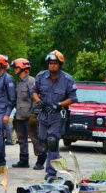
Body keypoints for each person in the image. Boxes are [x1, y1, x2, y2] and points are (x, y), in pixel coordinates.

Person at [31, 50, 77, 180]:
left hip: (57, 115)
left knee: (52, 141)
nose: (52, 66)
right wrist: (38, 102)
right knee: (42, 141)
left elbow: (73, 98)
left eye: (55, 63)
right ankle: (57, 158)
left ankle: (50, 173)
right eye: (50, 63)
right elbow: (33, 91)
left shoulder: (67, 79)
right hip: (44, 114)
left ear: (60, 64)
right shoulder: (40, 76)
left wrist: (59, 105)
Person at [10, 58, 46, 170]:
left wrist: (34, 114)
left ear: (22, 68)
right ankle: (23, 160)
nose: (14, 70)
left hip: (30, 116)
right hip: (20, 115)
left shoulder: (31, 81)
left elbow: (36, 98)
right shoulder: (18, 83)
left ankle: (40, 160)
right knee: (21, 139)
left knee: (35, 138)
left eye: (16, 68)